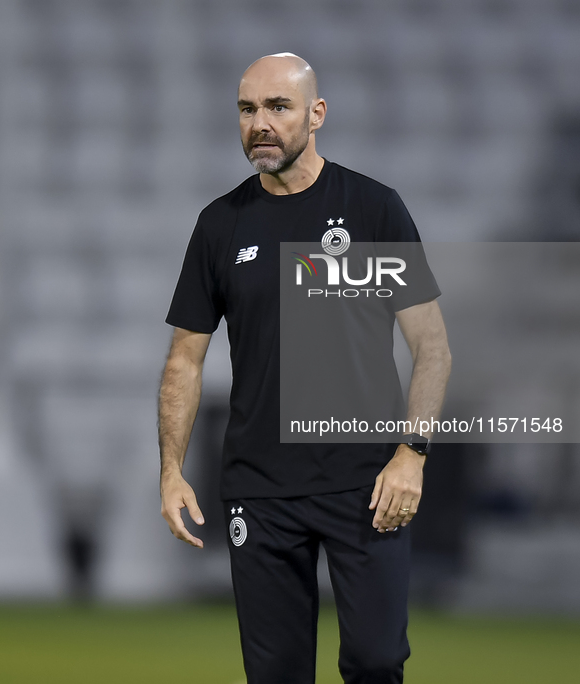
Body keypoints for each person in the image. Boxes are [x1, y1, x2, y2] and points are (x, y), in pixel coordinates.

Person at [159, 53, 451, 684]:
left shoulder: (375, 210)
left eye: (277, 107)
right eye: (247, 109)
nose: (259, 123)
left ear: (316, 114)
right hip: (260, 490)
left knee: (376, 662)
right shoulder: (219, 225)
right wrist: (171, 471)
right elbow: (185, 357)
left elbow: (433, 349)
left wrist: (412, 454)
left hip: (366, 483)